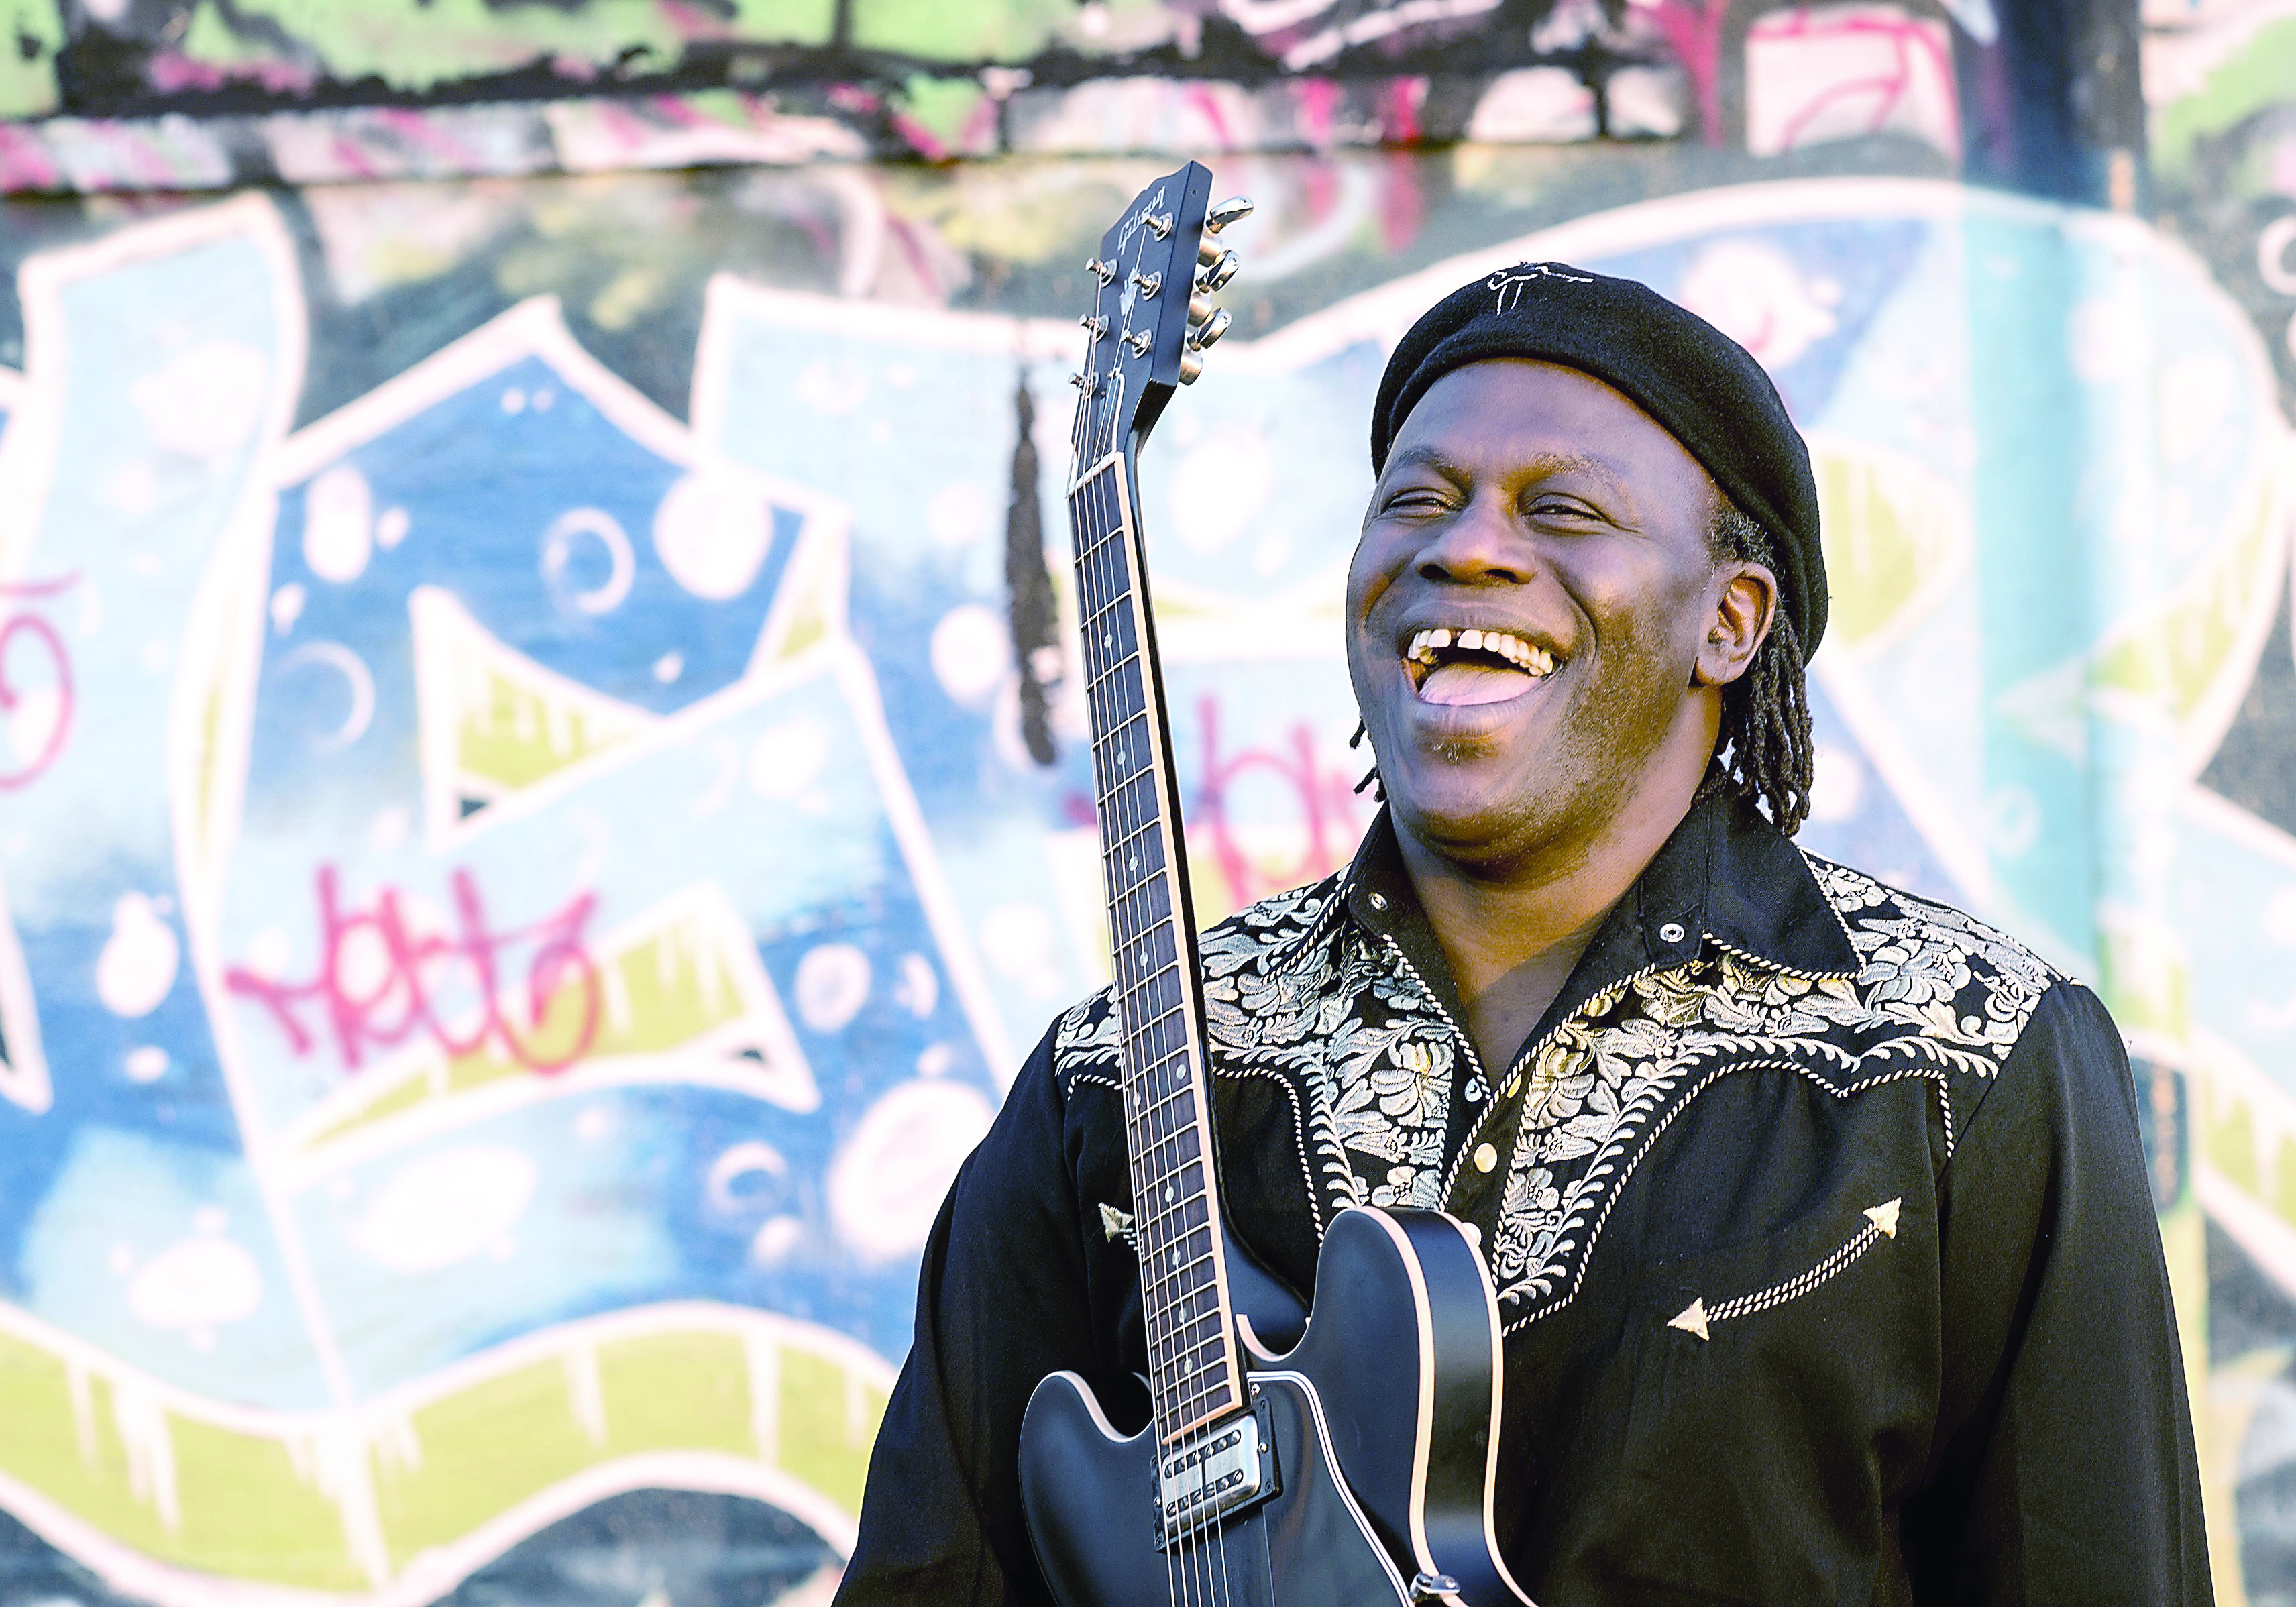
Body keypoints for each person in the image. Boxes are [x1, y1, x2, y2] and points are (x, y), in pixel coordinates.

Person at [834, 263, 2211, 1604]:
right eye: (1417, 501)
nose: (1468, 546)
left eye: (1563, 510)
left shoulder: (1964, 1055)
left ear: (1729, 621)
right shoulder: (1127, 1072)